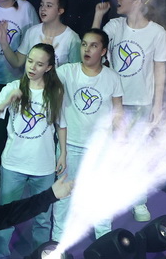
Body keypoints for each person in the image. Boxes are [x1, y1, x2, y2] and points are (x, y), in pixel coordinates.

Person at [0, 43, 66, 259]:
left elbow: (61, 124)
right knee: (6, 215)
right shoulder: (13, 87)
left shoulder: (55, 92)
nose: (32, 67)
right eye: (30, 61)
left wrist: (62, 153)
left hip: (44, 165)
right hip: (13, 164)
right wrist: (6, 102)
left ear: (48, 67)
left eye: (39, 64)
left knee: (43, 218)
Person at [93, 0, 166, 222]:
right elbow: (93, 45)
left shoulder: (157, 32)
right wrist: (98, 16)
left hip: (140, 103)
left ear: (137, 2)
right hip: (112, 101)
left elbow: (159, 69)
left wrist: (157, 105)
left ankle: (139, 202)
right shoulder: (115, 26)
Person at [52, 28, 123, 241]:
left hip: (100, 146)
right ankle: (57, 239)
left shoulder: (112, 77)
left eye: (93, 45)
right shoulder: (67, 71)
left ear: (103, 51)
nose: (87, 49)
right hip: (70, 144)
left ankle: (104, 237)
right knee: (64, 193)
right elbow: (43, 81)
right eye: (84, 44)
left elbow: (118, 114)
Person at [0, 0, 80, 68]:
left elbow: (76, 70)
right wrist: (4, 43)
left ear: (60, 11)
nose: (43, 9)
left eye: (49, 6)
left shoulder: (71, 38)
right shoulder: (32, 32)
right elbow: (17, 62)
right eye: (41, 5)